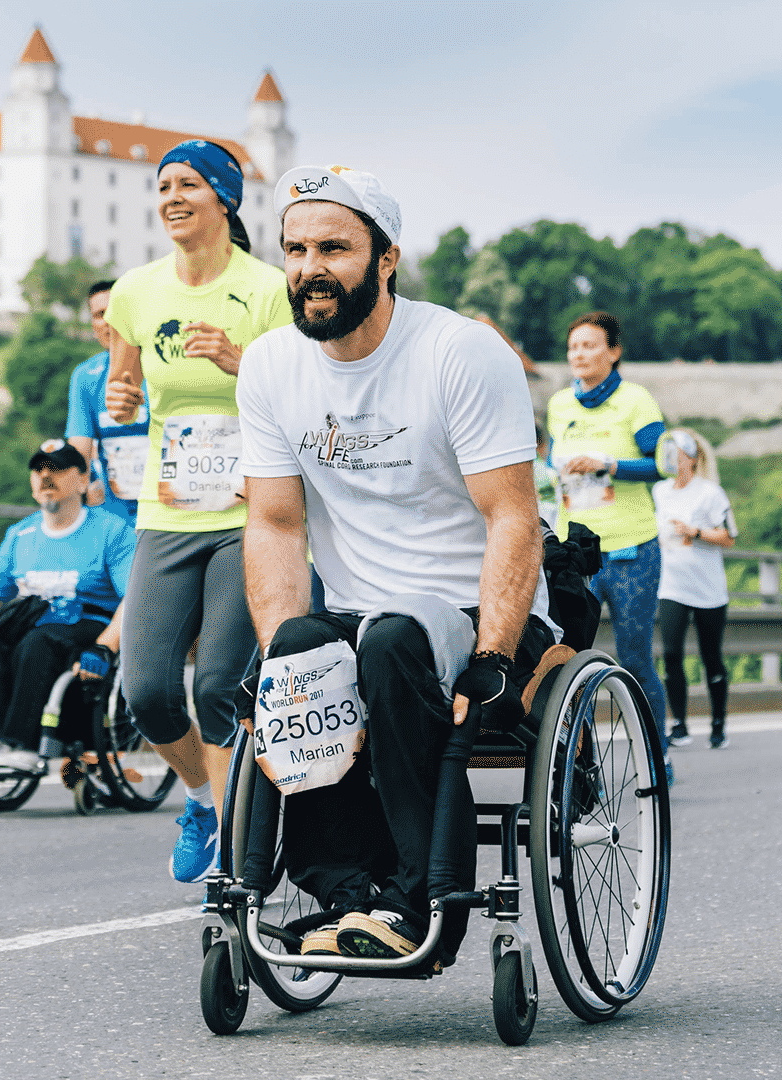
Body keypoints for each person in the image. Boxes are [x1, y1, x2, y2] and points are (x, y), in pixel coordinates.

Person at [238, 164, 557, 963]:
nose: (311, 268)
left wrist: (490, 656)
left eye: (334, 248)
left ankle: (415, 902)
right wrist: (279, 655)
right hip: (358, 613)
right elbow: (275, 524)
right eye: (296, 249)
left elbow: (513, 517)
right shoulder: (271, 365)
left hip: (475, 609)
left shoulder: (460, 353)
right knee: (308, 652)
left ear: (386, 259)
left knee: (393, 642)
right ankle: (349, 892)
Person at [102, 140, 292, 882]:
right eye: (163, 186)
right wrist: (120, 399)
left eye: (188, 184)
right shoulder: (136, 293)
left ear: (225, 199)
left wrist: (245, 361)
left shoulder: (269, 289)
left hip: (251, 514)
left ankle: (235, 843)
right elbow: (124, 386)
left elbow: (306, 395)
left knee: (217, 683)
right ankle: (201, 802)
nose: (172, 196)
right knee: (146, 688)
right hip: (169, 509)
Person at [0, 441, 133, 774]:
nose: (45, 476)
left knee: (39, 643)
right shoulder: (20, 535)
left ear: (84, 480)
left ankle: (23, 745)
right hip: (36, 620)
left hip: (89, 621)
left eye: (56, 469)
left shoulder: (111, 532)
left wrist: (104, 647)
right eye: (38, 470)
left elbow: (133, 599)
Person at [543, 311, 671, 767]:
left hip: (632, 550)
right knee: (567, 666)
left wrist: (608, 463)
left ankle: (655, 759)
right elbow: (551, 465)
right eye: (573, 346)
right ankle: (580, 766)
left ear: (614, 353)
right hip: (575, 552)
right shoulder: (560, 405)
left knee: (634, 660)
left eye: (590, 345)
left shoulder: (636, 402)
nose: (579, 354)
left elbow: (664, 464)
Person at [653, 429, 736, 749]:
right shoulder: (660, 491)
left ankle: (718, 724)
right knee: (671, 654)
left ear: (692, 458)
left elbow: (728, 537)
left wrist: (695, 531)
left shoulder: (711, 493)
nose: (671, 457)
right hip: (672, 584)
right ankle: (680, 724)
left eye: (677, 452)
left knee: (710, 656)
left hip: (708, 588)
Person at [65, 280, 151, 525]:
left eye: (116, 311)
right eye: (100, 315)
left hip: (169, 515)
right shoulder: (85, 376)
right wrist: (77, 506)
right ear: (93, 325)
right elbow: (78, 452)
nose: (109, 321)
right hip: (114, 518)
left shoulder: (161, 367)